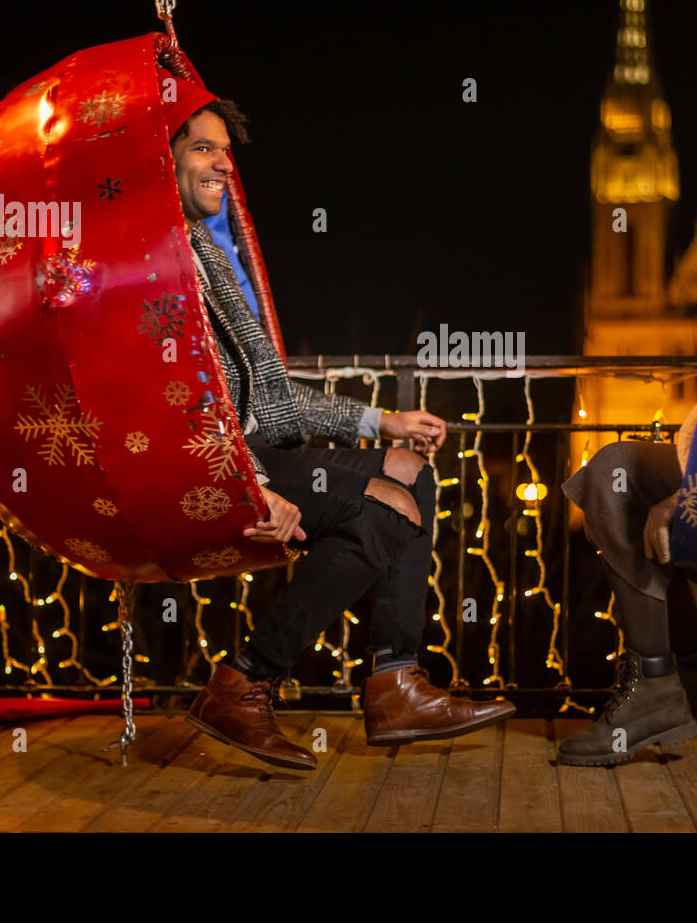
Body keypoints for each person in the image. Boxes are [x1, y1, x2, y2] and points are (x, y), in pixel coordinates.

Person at [159, 68, 516, 769]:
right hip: (235, 458)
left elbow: (270, 394)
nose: (221, 162)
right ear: (164, 159)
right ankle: (244, 679)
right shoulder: (169, 261)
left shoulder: (226, 254)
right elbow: (182, 395)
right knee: (386, 512)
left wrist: (383, 421)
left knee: (414, 475)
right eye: (201, 149)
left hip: (268, 439)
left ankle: (394, 679)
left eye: (224, 150)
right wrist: (249, 483)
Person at [557, 118, 697, 767]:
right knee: (612, 470)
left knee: (628, 488)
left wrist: (696, 483)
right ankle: (681, 670)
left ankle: (672, 678)